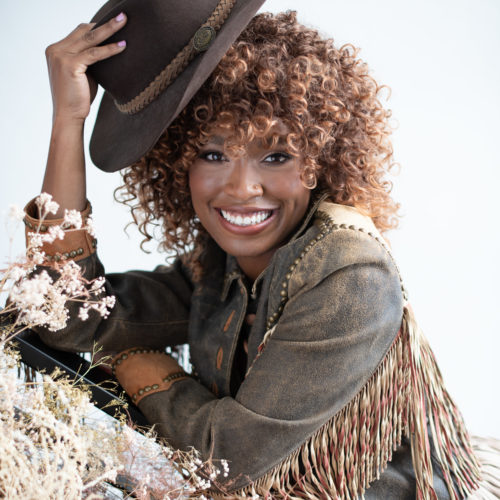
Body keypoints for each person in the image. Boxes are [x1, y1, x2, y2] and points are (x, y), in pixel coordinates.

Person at [23, 0, 498, 498]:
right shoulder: (218, 267)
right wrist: (67, 120)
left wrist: (140, 365)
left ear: (322, 161)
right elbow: (68, 315)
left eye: (276, 155)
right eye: (212, 154)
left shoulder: (349, 273)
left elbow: (227, 460)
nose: (242, 188)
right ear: (175, 165)